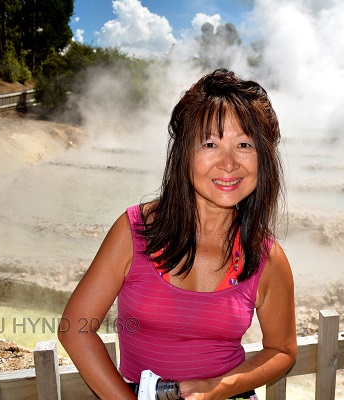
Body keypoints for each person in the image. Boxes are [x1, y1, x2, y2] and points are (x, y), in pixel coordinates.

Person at [58, 68, 297, 400]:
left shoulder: (266, 256)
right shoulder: (135, 232)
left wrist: (216, 387)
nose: (228, 164)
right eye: (210, 144)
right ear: (184, 153)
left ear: (264, 158)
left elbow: (281, 350)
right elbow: (76, 330)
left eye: (244, 144)